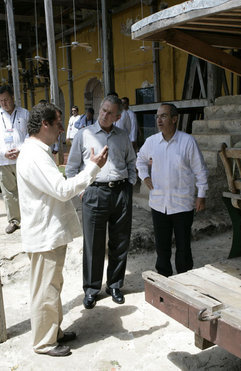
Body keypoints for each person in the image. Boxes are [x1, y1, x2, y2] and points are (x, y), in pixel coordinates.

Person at [17, 102, 108, 357]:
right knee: (45, 290)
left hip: (49, 232)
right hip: (44, 234)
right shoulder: (34, 154)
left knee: (52, 286)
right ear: (44, 124)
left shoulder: (38, 151)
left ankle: (53, 332)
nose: (61, 128)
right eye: (58, 122)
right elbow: (63, 189)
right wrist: (93, 168)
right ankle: (44, 342)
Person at [66, 95, 137, 309]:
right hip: (94, 192)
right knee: (94, 244)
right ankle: (91, 289)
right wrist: (82, 192)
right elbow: (71, 168)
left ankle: (115, 285)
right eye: (103, 110)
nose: (105, 115)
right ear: (100, 108)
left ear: (118, 116)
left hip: (120, 193)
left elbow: (131, 162)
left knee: (120, 241)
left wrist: (129, 184)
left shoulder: (123, 136)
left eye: (110, 113)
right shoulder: (83, 135)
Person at [136, 103, 208, 277]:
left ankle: (185, 278)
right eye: (157, 116)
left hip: (182, 203)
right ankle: (164, 277)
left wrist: (201, 195)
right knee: (162, 246)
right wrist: (145, 176)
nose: (159, 120)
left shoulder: (187, 141)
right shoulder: (152, 142)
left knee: (183, 246)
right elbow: (140, 159)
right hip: (159, 203)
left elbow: (200, 170)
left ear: (174, 119)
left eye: (164, 116)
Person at [0, 85, 29, 234]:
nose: (4, 103)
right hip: (3, 161)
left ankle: (28, 219)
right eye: (1, 101)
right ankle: (14, 220)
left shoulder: (24, 114)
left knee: (25, 190)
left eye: (6, 99)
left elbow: (31, 135)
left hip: (22, 159)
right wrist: (4, 152)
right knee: (8, 192)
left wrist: (21, 149)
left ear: (13, 97)